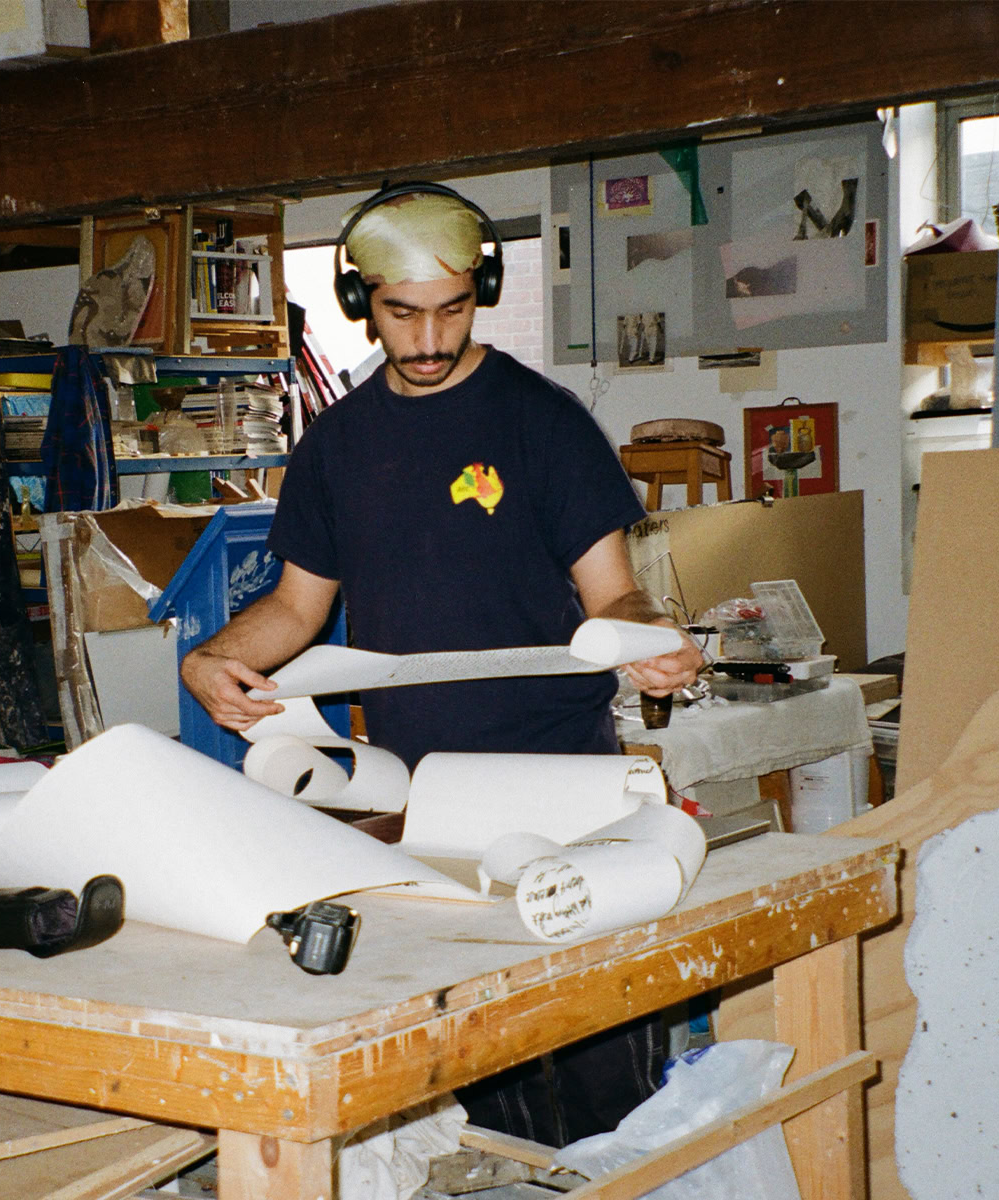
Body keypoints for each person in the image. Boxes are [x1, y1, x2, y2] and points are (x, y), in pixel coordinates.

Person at [181, 182, 704, 1146]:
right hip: (427, 800)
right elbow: (298, 608)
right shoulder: (336, 444)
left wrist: (650, 638)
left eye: (451, 311)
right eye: (401, 314)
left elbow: (613, 597)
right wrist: (212, 658)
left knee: (599, 1069)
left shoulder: (542, 424)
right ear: (359, 303)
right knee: (479, 1075)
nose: (426, 342)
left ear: (484, 291)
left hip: (563, 788)